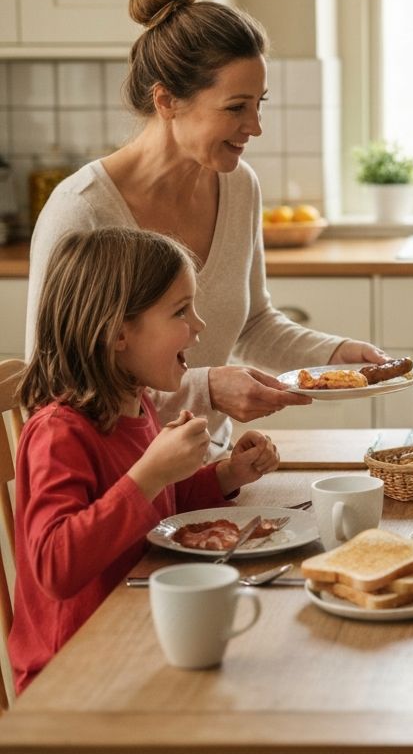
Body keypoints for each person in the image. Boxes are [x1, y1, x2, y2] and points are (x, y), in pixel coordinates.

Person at [25, 0, 387, 453]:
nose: (254, 127)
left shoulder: (238, 186)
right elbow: (53, 391)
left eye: (260, 104)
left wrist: (335, 355)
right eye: (236, 107)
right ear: (167, 99)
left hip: (208, 472)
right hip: (115, 483)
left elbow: (253, 323)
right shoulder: (82, 211)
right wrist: (206, 388)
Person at [10, 226, 282, 694]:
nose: (198, 325)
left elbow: (159, 504)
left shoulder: (137, 402)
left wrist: (224, 475)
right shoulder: (59, 432)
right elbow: (55, 567)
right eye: (181, 311)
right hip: (72, 672)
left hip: (140, 626)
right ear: (117, 333)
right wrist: (150, 472)